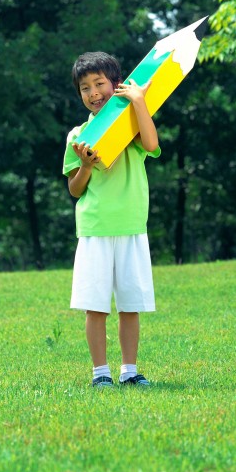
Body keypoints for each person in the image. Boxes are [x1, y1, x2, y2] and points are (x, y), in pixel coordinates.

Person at [62, 51, 160, 388]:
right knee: (96, 307)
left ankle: (130, 371)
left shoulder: (131, 126)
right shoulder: (78, 136)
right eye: (85, 88)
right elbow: (75, 189)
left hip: (132, 225)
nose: (93, 93)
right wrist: (86, 165)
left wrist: (139, 101)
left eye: (100, 83)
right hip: (95, 229)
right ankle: (100, 374)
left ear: (115, 84)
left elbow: (151, 143)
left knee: (131, 304)